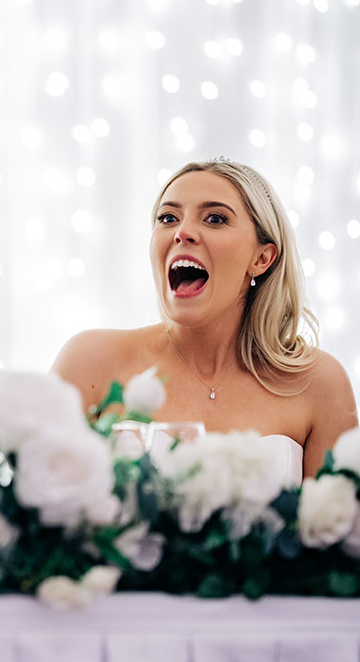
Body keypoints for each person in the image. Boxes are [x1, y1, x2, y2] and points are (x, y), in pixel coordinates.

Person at [53, 158, 358, 477]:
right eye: (168, 217)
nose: (182, 232)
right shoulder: (89, 361)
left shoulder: (319, 384)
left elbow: (338, 525)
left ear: (262, 257)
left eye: (215, 218)